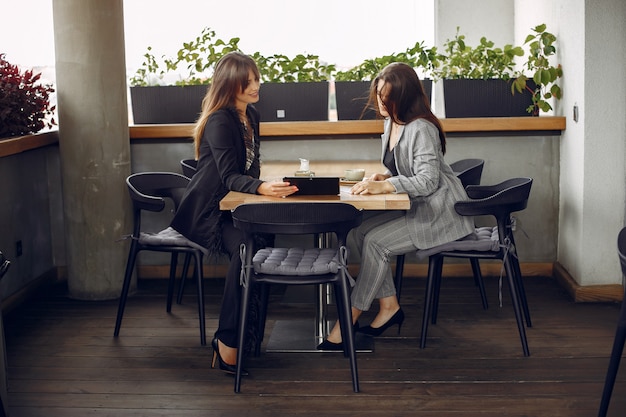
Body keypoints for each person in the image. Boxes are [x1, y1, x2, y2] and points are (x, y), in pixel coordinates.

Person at [317, 62, 474, 350]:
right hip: (420, 206)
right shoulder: (392, 122)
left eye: (386, 97)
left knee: (376, 243)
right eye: (378, 95)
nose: (381, 103)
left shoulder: (421, 128)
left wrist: (387, 185)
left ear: (405, 96)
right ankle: (389, 306)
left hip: (439, 213)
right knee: (360, 232)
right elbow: (409, 169)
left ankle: (348, 319)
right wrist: (387, 176)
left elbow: (427, 181)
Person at [170, 52, 298, 374]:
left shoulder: (250, 115)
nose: (256, 85)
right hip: (209, 213)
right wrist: (260, 188)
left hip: (234, 208)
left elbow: (249, 166)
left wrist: (261, 187)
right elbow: (228, 176)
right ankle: (227, 340)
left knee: (261, 240)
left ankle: (248, 334)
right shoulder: (220, 120)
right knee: (246, 248)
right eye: (248, 81)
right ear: (231, 84)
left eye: (256, 78)